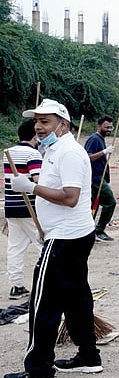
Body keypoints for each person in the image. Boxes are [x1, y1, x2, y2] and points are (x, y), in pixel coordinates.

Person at [4, 100, 101, 378]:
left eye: (45, 121)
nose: (38, 126)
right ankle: (88, 356)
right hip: (70, 234)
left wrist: (31, 188)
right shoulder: (52, 150)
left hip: (66, 238)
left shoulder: (69, 152)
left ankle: (39, 370)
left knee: (43, 302)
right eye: (37, 121)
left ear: (63, 123)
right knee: (76, 299)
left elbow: (70, 197)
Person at [3, 119, 42, 300]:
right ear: (35, 135)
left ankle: (16, 285)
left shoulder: (8, 153)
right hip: (29, 207)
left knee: (15, 247)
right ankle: (49, 280)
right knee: (43, 243)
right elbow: (37, 180)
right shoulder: (33, 154)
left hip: (11, 206)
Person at [83, 115, 117, 243]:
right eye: (106, 127)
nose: (109, 129)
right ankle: (99, 230)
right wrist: (104, 152)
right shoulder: (95, 139)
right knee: (110, 202)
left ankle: (89, 231)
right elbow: (88, 157)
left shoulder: (100, 139)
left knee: (93, 206)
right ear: (99, 126)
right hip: (95, 178)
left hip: (98, 178)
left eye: (110, 127)